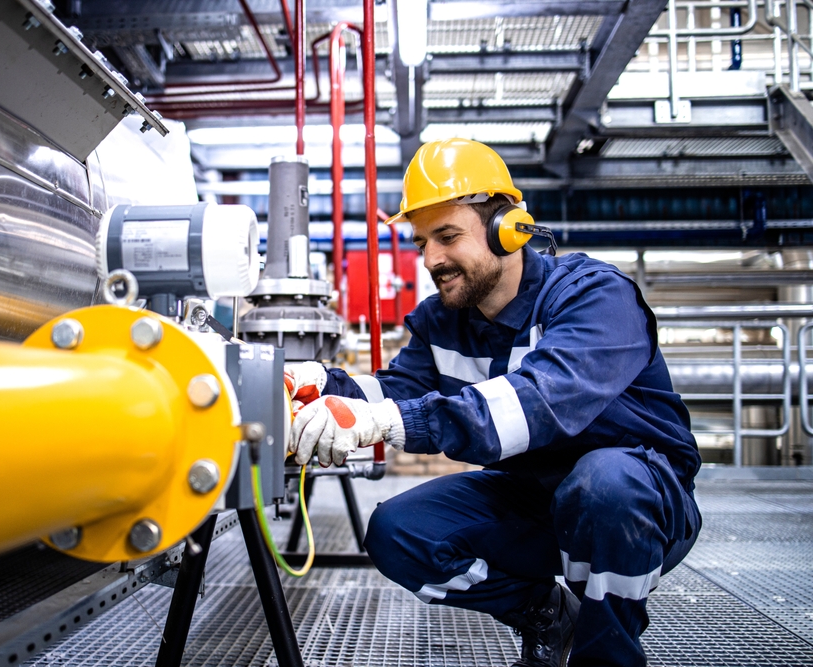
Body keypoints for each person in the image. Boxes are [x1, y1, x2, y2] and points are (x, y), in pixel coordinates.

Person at [284, 138, 702, 667]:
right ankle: (550, 617)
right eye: (422, 242)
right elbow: (394, 392)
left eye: (448, 236)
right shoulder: (443, 320)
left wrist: (386, 422)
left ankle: (607, 655)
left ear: (508, 228)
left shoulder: (593, 296)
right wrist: (316, 384)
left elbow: (535, 404)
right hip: (534, 499)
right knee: (397, 531)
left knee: (603, 482)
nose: (432, 258)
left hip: (637, 506)